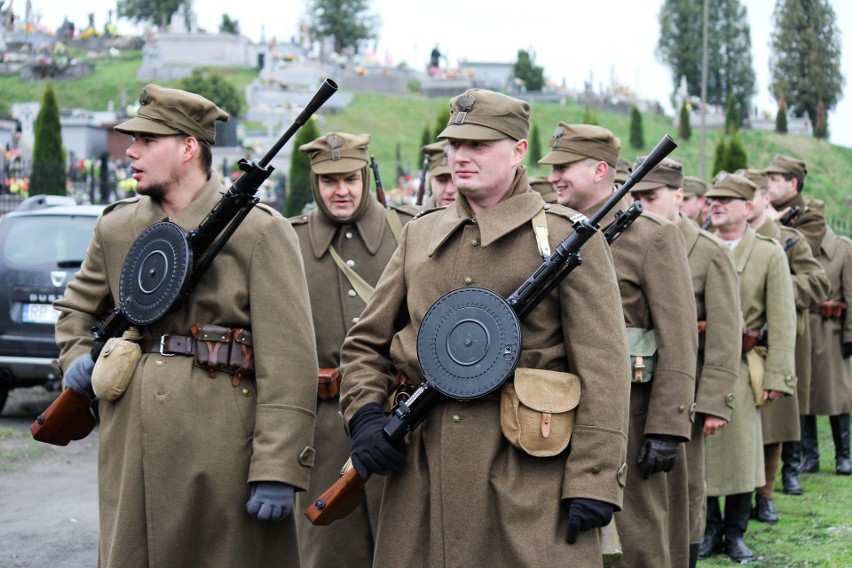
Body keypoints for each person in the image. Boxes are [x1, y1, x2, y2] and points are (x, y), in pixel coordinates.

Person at [339, 89, 631, 567]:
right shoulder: (420, 233)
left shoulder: (566, 238)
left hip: (526, 476)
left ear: (518, 151)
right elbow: (365, 344)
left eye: (478, 145)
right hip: (424, 473)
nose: (460, 157)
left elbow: (604, 369)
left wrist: (594, 478)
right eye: (455, 145)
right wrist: (366, 416)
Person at [53, 84, 319, 567]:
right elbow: (76, 311)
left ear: (188, 146)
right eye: (132, 140)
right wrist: (76, 359)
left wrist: (278, 464)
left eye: (146, 140)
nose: (130, 151)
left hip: (223, 452)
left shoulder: (260, 231)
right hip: (131, 447)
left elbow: (290, 359)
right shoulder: (116, 227)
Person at [541, 123, 698, 568]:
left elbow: (679, 338)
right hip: (566, 412)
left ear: (600, 170)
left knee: (638, 539)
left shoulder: (653, 236)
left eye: (563, 167)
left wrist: (667, 426)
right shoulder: (552, 233)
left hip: (634, 418)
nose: (554, 177)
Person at [290, 131, 414, 568]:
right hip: (318, 431)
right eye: (328, 181)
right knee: (327, 555)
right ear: (314, 184)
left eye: (350, 179)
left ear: (365, 177)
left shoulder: (410, 231)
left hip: (397, 423)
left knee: (402, 550)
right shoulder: (290, 242)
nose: (340, 191)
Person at [631, 158, 741, 568]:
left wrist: (714, 401)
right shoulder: (623, 240)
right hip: (639, 388)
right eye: (636, 197)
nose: (641, 206)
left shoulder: (708, 253)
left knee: (688, 488)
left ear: (678, 197)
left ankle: (688, 556)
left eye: (651, 197)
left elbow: (725, 333)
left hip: (685, 394)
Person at [701, 172, 796, 563]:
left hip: (742, 364)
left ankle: (736, 532)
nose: (716, 205)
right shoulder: (694, 244)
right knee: (702, 456)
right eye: (712, 199)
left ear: (748, 206)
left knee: (741, 454)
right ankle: (708, 530)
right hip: (699, 361)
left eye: (726, 199)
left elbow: (783, 318)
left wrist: (777, 374)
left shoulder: (768, 252)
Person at [743, 167, 830, 518]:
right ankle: (734, 501)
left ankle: (764, 495)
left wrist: (777, 286)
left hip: (771, 342)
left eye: (749, 196)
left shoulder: (788, 239)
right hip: (732, 344)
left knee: (773, 426)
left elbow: (819, 284)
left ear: (764, 199)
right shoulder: (721, 237)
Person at [805, 222, 852, 475]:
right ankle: (809, 457)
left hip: (831, 332)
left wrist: (849, 335)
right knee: (804, 396)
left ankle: (843, 455)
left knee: (838, 396)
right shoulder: (799, 247)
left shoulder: (843, 249)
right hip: (804, 331)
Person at [765, 154, 825, 257]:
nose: (767, 184)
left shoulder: (812, 219)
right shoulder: (762, 207)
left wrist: (772, 223)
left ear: (792, 184)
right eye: (767, 178)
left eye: (774, 179)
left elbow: (799, 255)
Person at [420, 139, 457, 209]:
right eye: (441, 180)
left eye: (456, 180)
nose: (449, 190)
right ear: (430, 181)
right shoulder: (411, 219)